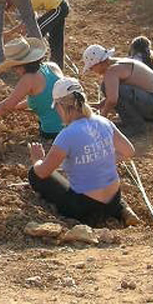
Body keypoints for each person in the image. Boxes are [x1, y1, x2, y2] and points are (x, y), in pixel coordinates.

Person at [27, 77, 140, 227]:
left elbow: (42, 172)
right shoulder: (104, 122)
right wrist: (100, 160)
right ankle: (121, 209)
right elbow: (129, 151)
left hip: (86, 209)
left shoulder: (67, 135)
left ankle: (95, 217)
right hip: (114, 199)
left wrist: (37, 160)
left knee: (34, 174)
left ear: (61, 106)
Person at [0, 37, 64, 140]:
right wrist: (18, 106)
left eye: (14, 67)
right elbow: (46, 97)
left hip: (54, 131)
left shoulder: (28, 79)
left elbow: (6, 106)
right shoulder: (52, 66)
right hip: (72, 125)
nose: (15, 71)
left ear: (20, 66)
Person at [83, 44, 153, 136]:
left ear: (99, 63)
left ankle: (135, 126)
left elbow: (113, 99)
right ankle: (131, 121)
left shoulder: (112, 71)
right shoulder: (119, 64)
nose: (91, 70)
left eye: (91, 67)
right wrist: (100, 105)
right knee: (108, 86)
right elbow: (115, 93)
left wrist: (101, 119)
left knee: (107, 87)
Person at [5, 0, 68, 69]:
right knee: (55, 39)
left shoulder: (22, 0)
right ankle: (57, 66)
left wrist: (10, 33)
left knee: (35, 35)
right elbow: (29, 20)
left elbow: (27, 24)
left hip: (58, 7)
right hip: (59, 6)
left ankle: (32, 66)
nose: (12, 10)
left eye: (10, 9)